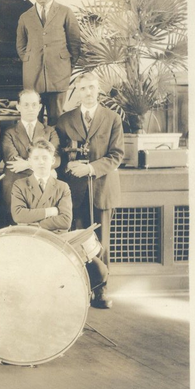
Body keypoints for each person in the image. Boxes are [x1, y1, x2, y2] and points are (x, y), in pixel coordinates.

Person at [11, 139, 112, 308]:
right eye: (36, 158)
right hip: (29, 240)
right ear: (29, 162)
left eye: (45, 158)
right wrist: (50, 212)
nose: (41, 162)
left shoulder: (62, 187)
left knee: (100, 271)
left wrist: (35, 223)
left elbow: (65, 221)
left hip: (58, 239)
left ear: (52, 161)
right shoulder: (20, 185)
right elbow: (18, 215)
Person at [55, 72, 124, 267]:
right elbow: (58, 153)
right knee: (76, 242)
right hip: (74, 191)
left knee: (100, 243)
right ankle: (81, 287)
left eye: (91, 87)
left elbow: (116, 155)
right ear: (77, 91)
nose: (88, 92)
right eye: (83, 88)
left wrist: (90, 168)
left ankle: (101, 288)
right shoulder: (65, 120)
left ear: (98, 89)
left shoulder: (113, 119)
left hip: (102, 189)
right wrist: (66, 164)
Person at [16, 0, 81, 126]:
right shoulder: (25, 17)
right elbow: (20, 46)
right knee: (32, 118)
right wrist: (30, 61)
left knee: (56, 118)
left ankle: (56, 150)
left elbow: (75, 44)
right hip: (33, 76)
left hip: (58, 75)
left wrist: (65, 66)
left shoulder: (65, 12)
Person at [0, 89, 60, 227]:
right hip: (15, 185)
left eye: (34, 105)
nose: (30, 108)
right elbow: (12, 161)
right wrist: (44, 165)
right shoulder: (8, 132)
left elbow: (56, 158)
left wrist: (26, 164)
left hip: (42, 187)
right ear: (18, 106)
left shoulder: (50, 131)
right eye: (26, 105)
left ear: (39, 107)